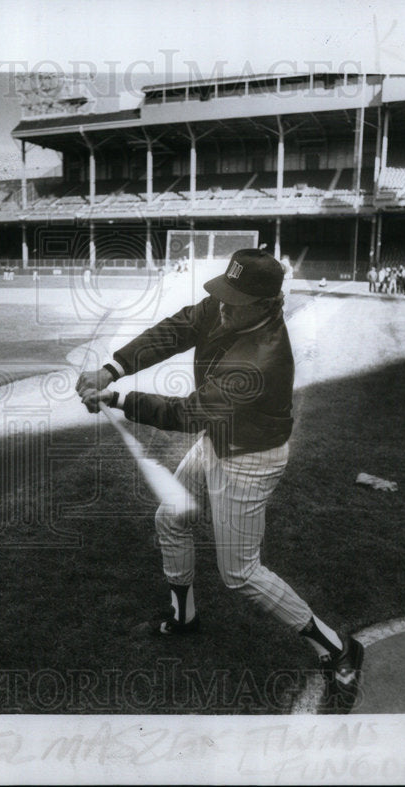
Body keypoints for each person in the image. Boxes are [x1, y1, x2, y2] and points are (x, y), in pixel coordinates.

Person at [77, 248, 364, 713]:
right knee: (171, 519)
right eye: (223, 294)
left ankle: (337, 649)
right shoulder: (229, 306)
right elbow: (177, 328)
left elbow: (186, 413)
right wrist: (113, 367)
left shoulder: (261, 357)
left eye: (235, 300)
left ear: (267, 304)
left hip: (249, 458)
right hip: (221, 438)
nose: (222, 305)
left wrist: (116, 398)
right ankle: (184, 615)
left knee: (240, 574)